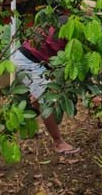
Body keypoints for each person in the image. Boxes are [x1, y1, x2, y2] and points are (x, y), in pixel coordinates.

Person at [10, 20, 80, 155]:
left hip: (34, 59)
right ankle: (58, 143)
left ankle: (37, 126)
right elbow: (62, 59)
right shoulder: (63, 29)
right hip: (27, 60)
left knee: (40, 97)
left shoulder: (62, 22)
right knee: (47, 103)